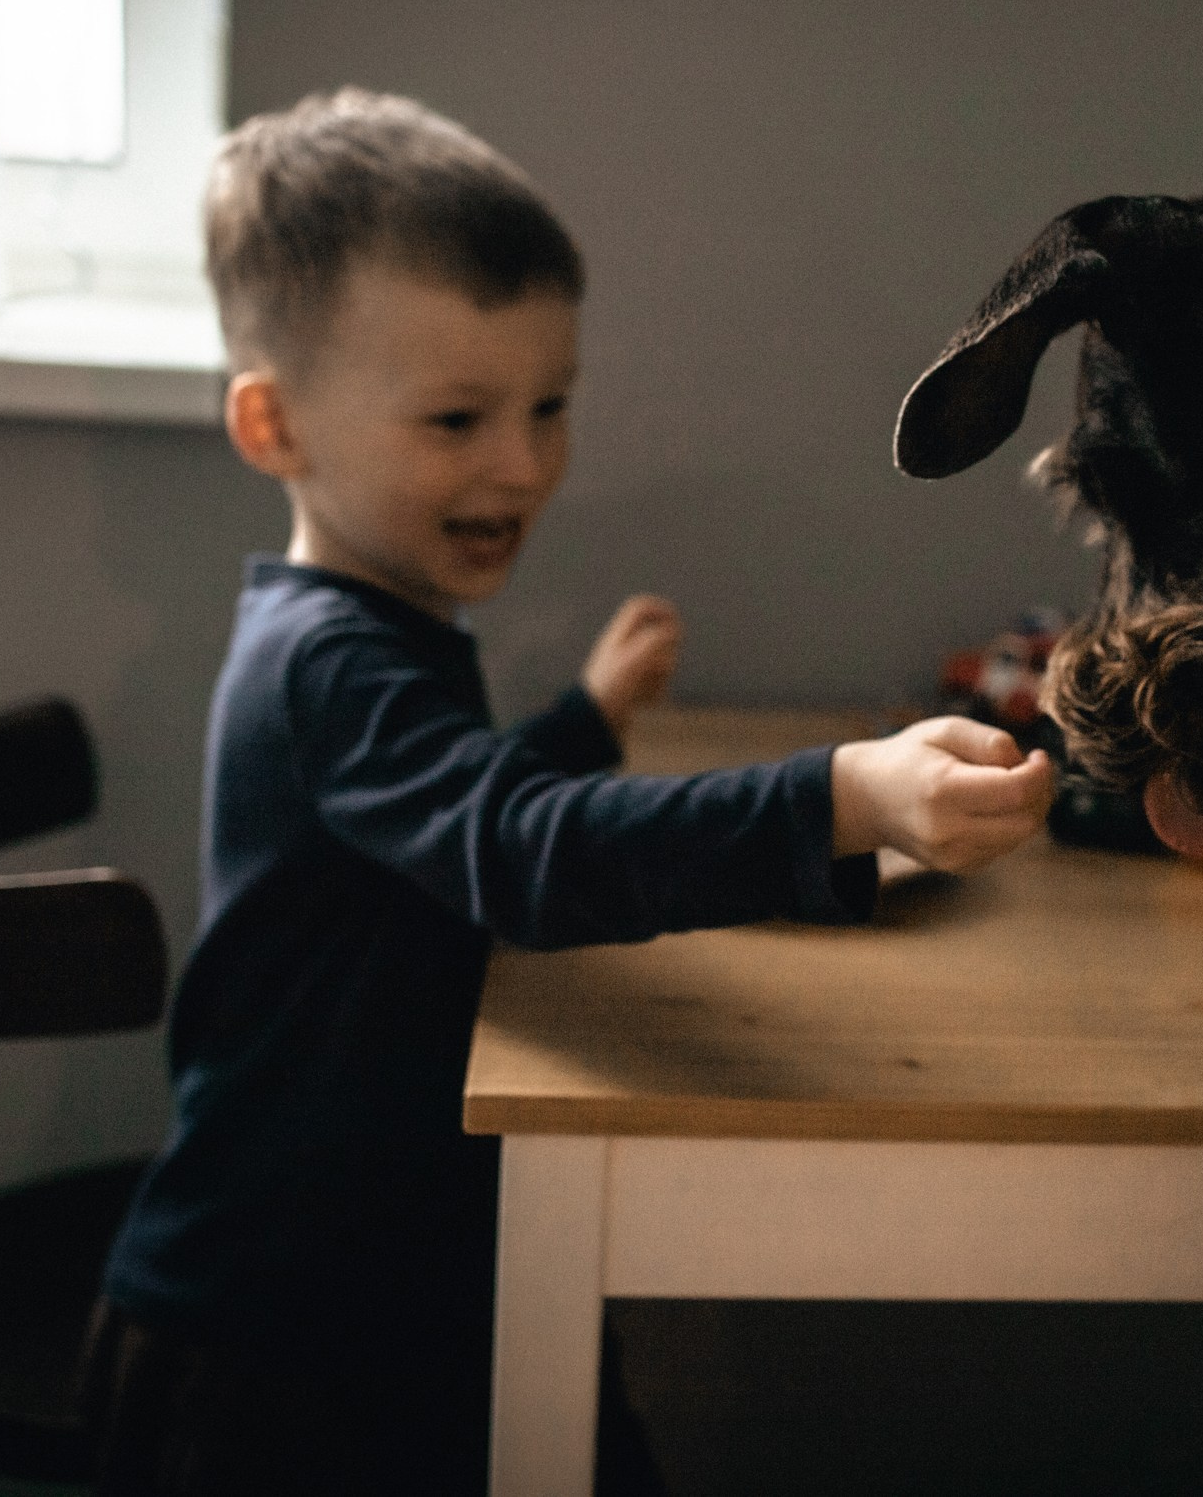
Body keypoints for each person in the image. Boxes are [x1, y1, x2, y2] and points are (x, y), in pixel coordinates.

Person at [89, 88, 1056, 1495]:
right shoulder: (331, 665)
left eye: (550, 405)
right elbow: (516, 852)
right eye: (458, 417)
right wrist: (839, 798)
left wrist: (580, 721)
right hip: (270, 1335)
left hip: (377, 1266)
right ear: (272, 425)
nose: (523, 464)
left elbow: (434, 825)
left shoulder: (361, 632)